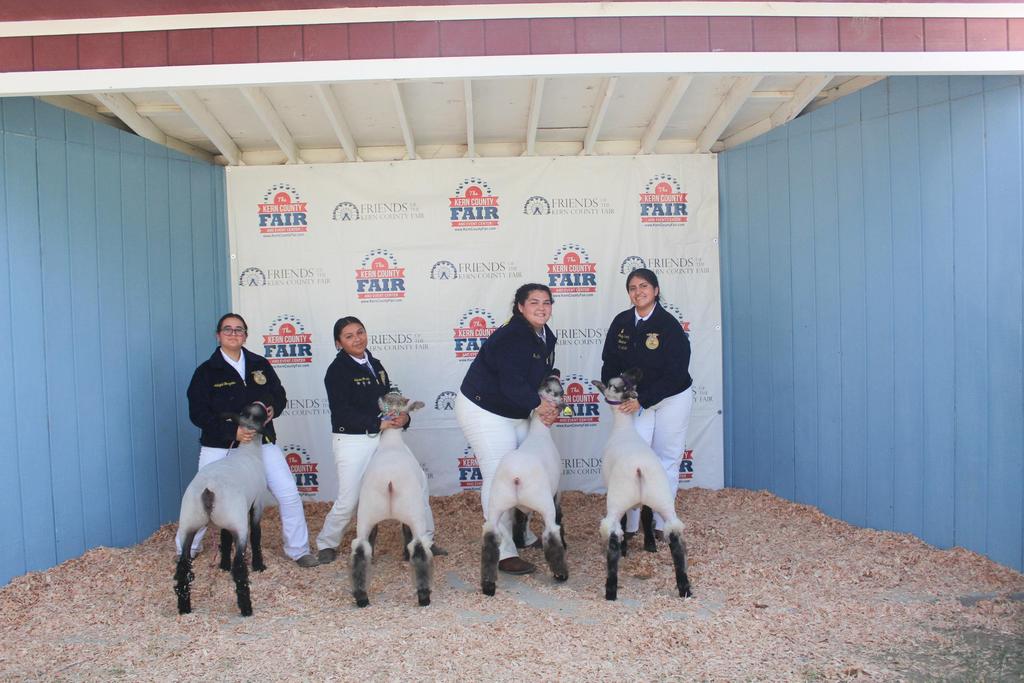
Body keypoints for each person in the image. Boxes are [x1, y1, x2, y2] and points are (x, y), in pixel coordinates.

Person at [182, 313, 319, 567]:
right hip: (220, 446)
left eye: (239, 330)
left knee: (288, 493)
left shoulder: (260, 364)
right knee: (203, 499)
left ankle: (299, 550)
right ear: (218, 335)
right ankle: (187, 549)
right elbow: (198, 413)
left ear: (245, 335)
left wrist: (273, 408)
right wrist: (231, 431)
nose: (233, 334)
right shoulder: (206, 372)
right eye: (228, 329)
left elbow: (279, 395)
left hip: (260, 444)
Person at [315, 316, 445, 564]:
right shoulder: (337, 371)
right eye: (349, 336)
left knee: (418, 482)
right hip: (353, 439)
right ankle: (327, 543)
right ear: (338, 343)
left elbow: (388, 400)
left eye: (360, 332)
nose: (357, 339)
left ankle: (423, 539)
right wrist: (377, 424)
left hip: (385, 436)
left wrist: (403, 417)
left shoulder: (375, 364)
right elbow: (341, 412)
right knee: (349, 499)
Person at [455, 284, 561, 575]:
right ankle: (502, 551)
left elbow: (542, 373)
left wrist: (551, 396)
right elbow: (511, 382)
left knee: (526, 471)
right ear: (520, 307)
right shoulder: (511, 336)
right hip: (485, 410)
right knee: (499, 475)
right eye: (534, 302)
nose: (541, 308)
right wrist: (540, 406)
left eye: (546, 302)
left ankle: (520, 533)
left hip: (515, 409)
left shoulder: (545, 334)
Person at [601, 268, 693, 540]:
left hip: (671, 398)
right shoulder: (621, 322)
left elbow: (676, 372)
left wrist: (643, 399)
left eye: (644, 286)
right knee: (631, 460)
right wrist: (617, 391)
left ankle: (664, 523)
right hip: (635, 400)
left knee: (667, 459)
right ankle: (631, 524)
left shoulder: (669, 325)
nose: (638, 292)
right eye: (633, 287)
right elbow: (610, 363)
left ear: (655, 290)